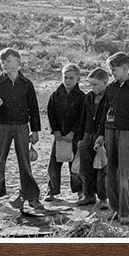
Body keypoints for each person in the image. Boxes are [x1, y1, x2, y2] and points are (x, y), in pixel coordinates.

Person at [0, 47, 44, 212]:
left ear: (18, 63)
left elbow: (33, 108)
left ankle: (31, 197)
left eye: (9, 61)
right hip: (2, 127)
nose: (5, 64)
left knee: (25, 162)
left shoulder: (27, 84)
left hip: (22, 127)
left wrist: (35, 131)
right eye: (2, 62)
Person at [94, 52, 129, 226]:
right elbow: (104, 112)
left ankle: (125, 212)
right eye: (110, 70)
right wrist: (101, 134)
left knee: (124, 173)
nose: (111, 73)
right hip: (110, 132)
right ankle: (115, 209)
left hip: (127, 133)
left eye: (114, 70)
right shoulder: (111, 87)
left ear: (125, 68)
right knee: (110, 172)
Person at [45, 62, 85, 201]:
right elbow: (51, 114)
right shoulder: (55, 95)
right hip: (59, 136)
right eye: (65, 77)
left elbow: (82, 117)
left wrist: (73, 132)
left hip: (73, 136)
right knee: (54, 164)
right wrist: (55, 131)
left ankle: (80, 191)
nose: (67, 80)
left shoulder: (81, 97)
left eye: (71, 78)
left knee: (75, 165)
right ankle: (52, 190)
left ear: (78, 79)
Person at [74, 67, 110, 207]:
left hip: (101, 135)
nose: (93, 87)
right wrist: (80, 137)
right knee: (85, 166)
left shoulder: (110, 96)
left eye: (96, 84)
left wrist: (102, 134)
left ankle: (103, 198)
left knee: (102, 167)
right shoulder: (89, 96)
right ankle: (88, 195)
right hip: (87, 134)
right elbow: (83, 117)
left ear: (105, 82)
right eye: (91, 84)